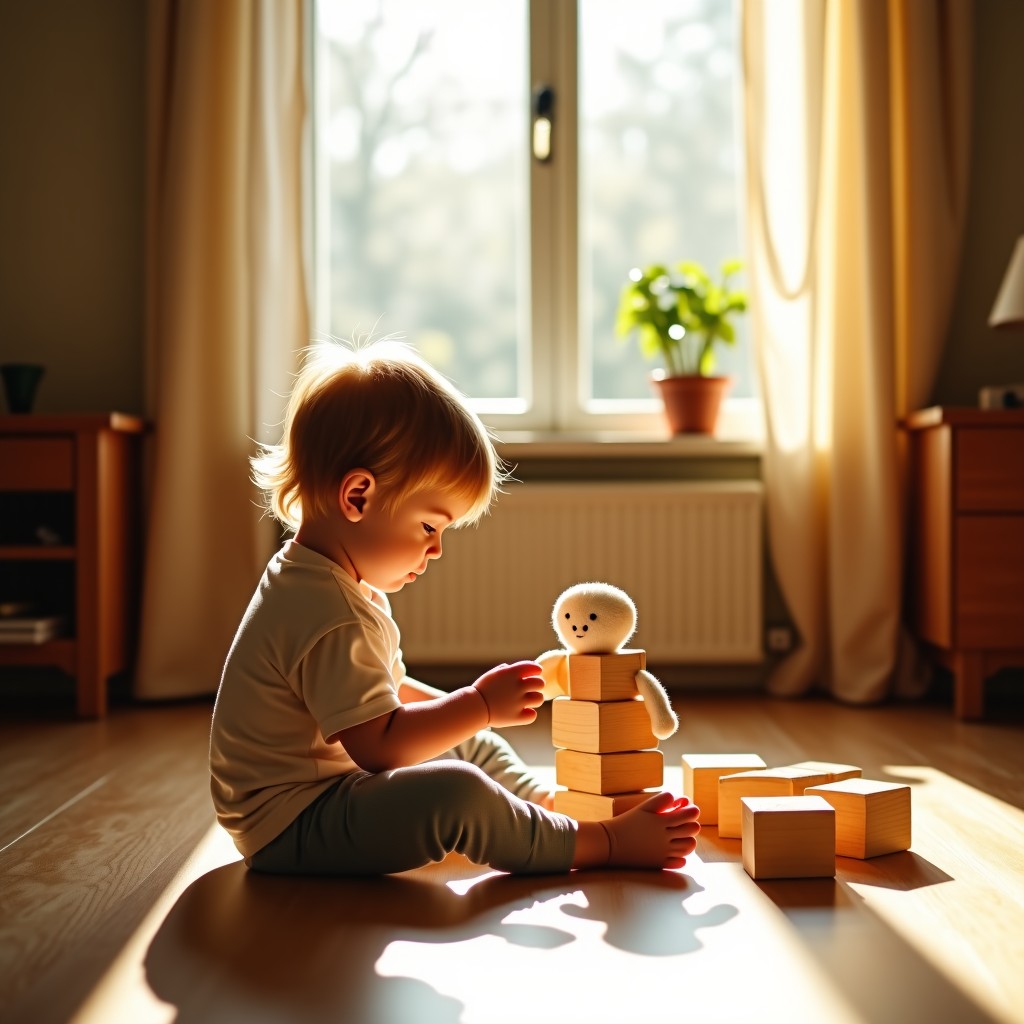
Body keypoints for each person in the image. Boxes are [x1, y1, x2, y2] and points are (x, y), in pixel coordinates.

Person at [209, 338, 700, 876]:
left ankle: (544, 806)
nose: (436, 548)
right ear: (357, 497)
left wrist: (470, 716)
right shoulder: (326, 611)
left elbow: (388, 695)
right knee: (458, 792)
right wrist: (478, 704)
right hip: (294, 825)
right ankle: (600, 844)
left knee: (471, 741)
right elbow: (379, 747)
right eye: (429, 526)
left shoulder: (328, 581)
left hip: (325, 793)